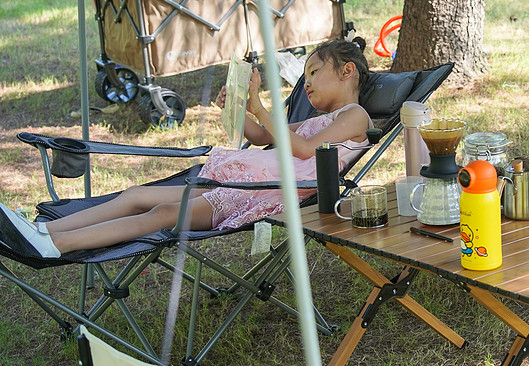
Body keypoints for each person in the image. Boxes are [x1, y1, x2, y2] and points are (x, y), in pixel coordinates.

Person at [0, 38, 374, 259]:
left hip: (262, 194)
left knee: (163, 212)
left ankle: (55, 244)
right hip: (246, 182)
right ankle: (42, 231)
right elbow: (263, 137)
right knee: (135, 195)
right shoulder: (318, 119)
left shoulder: (355, 115)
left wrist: (260, 106)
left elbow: (307, 150)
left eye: (313, 73)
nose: (306, 83)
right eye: (305, 76)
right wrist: (242, 107)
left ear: (347, 72)